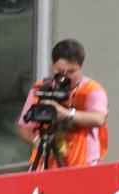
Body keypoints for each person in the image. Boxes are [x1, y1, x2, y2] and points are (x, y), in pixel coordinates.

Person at [16, 38, 109, 169]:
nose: (65, 77)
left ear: (80, 67)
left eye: (71, 72)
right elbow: (24, 126)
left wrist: (65, 114)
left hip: (83, 165)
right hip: (45, 164)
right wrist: (38, 142)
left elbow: (99, 118)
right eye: (60, 72)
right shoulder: (40, 89)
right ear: (53, 66)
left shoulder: (91, 90)